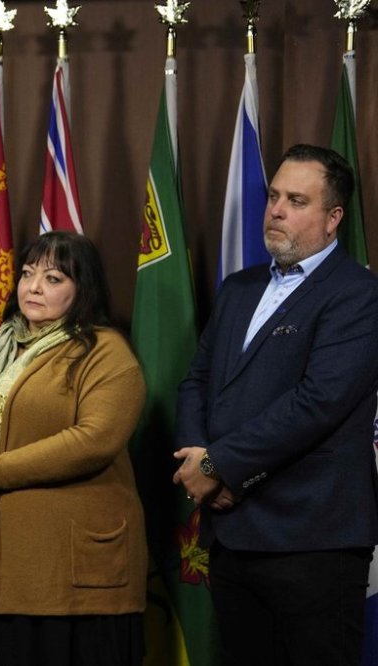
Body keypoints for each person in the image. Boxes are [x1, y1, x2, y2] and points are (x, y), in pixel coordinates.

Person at [174, 144, 378, 666]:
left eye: (296, 201)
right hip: (232, 532)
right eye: (273, 196)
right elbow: (197, 381)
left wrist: (219, 466)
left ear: (333, 218)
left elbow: (317, 403)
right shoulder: (238, 289)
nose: (276, 211)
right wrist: (199, 461)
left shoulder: (358, 294)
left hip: (312, 539)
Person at [0, 231, 147, 666]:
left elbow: (94, 440)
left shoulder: (106, 351)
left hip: (67, 569)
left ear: (82, 288)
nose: (33, 287)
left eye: (53, 278)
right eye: (28, 274)